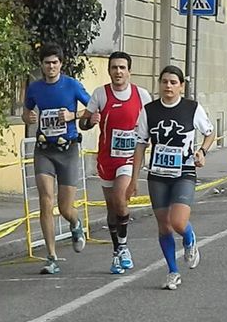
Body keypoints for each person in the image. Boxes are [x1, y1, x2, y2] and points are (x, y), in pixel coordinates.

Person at [132, 65, 215, 290]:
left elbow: (210, 132)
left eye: (173, 82)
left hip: (184, 171)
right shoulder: (148, 111)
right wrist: (133, 179)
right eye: (164, 82)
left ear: (181, 86)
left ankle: (189, 240)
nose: (168, 86)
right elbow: (140, 144)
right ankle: (172, 271)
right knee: (163, 226)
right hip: (157, 174)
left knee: (178, 222)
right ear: (159, 84)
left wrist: (202, 152)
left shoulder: (192, 108)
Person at [79, 52, 152, 274]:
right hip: (106, 159)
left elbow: (152, 122)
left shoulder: (141, 95)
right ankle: (117, 250)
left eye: (122, 68)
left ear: (129, 71)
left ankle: (123, 246)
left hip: (130, 157)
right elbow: (84, 123)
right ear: (109, 71)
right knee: (112, 209)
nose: (118, 72)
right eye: (114, 68)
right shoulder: (100, 94)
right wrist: (89, 121)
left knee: (121, 199)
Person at [22, 42, 90, 274]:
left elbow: (93, 108)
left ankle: (75, 223)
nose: (51, 66)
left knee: (64, 207)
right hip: (44, 150)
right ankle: (51, 257)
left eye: (55, 62)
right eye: (47, 63)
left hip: (67, 150)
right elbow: (26, 112)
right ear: (41, 65)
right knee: (45, 201)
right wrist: (28, 117)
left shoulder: (71, 85)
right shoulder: (35, 88)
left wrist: (73, 114)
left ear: (61, 64)